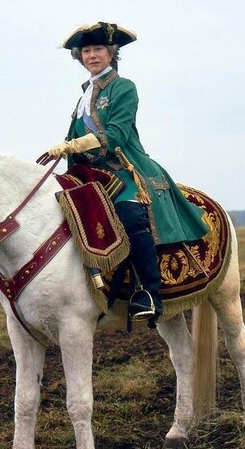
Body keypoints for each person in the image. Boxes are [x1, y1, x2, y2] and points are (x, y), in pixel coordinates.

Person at [49, 22, 208, 325]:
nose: (92, 55)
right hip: (90, 173)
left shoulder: (124, 87)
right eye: (86, 50)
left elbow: (116, 135)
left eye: (98, 49)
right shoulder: (84, 96)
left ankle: (148, 292)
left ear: (111, 53)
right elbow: (75, 137)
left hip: (124, 168)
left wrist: (72, 145)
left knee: (130, 214)